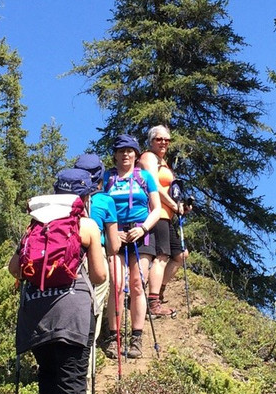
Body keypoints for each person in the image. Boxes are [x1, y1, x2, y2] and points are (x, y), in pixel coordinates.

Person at [8, 168, 107, 394]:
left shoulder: (35, 226)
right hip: (72, 310)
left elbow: (14, 269)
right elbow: (100, 275)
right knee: (72, 378)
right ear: (85, 195)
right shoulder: (85, 225)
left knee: (48, 372)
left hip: (36, 312)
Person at [103, 134, 162, 359]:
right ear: (115, 155)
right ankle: (113, 336)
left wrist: (144, 228)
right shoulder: (107, 177)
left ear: (136, 154)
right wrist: (111, 230)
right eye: (121, 150)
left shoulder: (145, 177)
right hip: (114, 233)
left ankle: (137, 337)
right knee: (116, 283)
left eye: (130, 150)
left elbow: (156, 208)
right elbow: (99, 205)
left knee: (138, 283)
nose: (126, 154)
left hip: (141, 233)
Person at [73, 153, 122, 358]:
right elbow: (114, 246)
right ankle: (87, 359)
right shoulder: (104, 201)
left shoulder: (65, 199)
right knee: (93, 308)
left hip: (66, 258)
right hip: (95, 256)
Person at [137, 125, 189, 316]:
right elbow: (154, 186)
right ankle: (153, 303)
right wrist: (174, 206)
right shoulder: (149, 157)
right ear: (151, 141)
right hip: (155, 213)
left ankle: (158, 292)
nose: (164, 142)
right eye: (159, 139)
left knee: (181, 255)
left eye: (167, 139)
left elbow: (169, 191)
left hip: (166, 215)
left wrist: (180, 206)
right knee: (161, 256)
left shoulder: (163, 162)